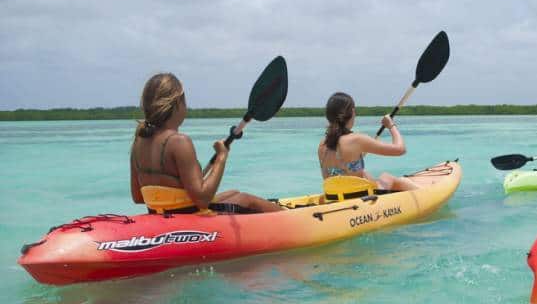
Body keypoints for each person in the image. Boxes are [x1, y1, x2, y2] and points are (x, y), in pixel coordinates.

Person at [130, 73, 283, 214]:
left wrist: (174, 196)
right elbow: (203, 200)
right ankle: (294, 218)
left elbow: (138, 197)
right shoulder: (179, 142)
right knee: (246, 200)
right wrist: (221, 158)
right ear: (177, 104)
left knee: (233, 193)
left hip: (165, 212)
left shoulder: (138, 142)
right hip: (189, 216)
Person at [318, 92, 419, 192]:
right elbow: (401, 149)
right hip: (359, 197)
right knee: (387, 177)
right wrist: (391, 125)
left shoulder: (322, 144)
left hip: (334, 196)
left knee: (365, 174)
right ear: (352, 112)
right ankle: (426, 194)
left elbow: (330, 177)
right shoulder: (357, 139)